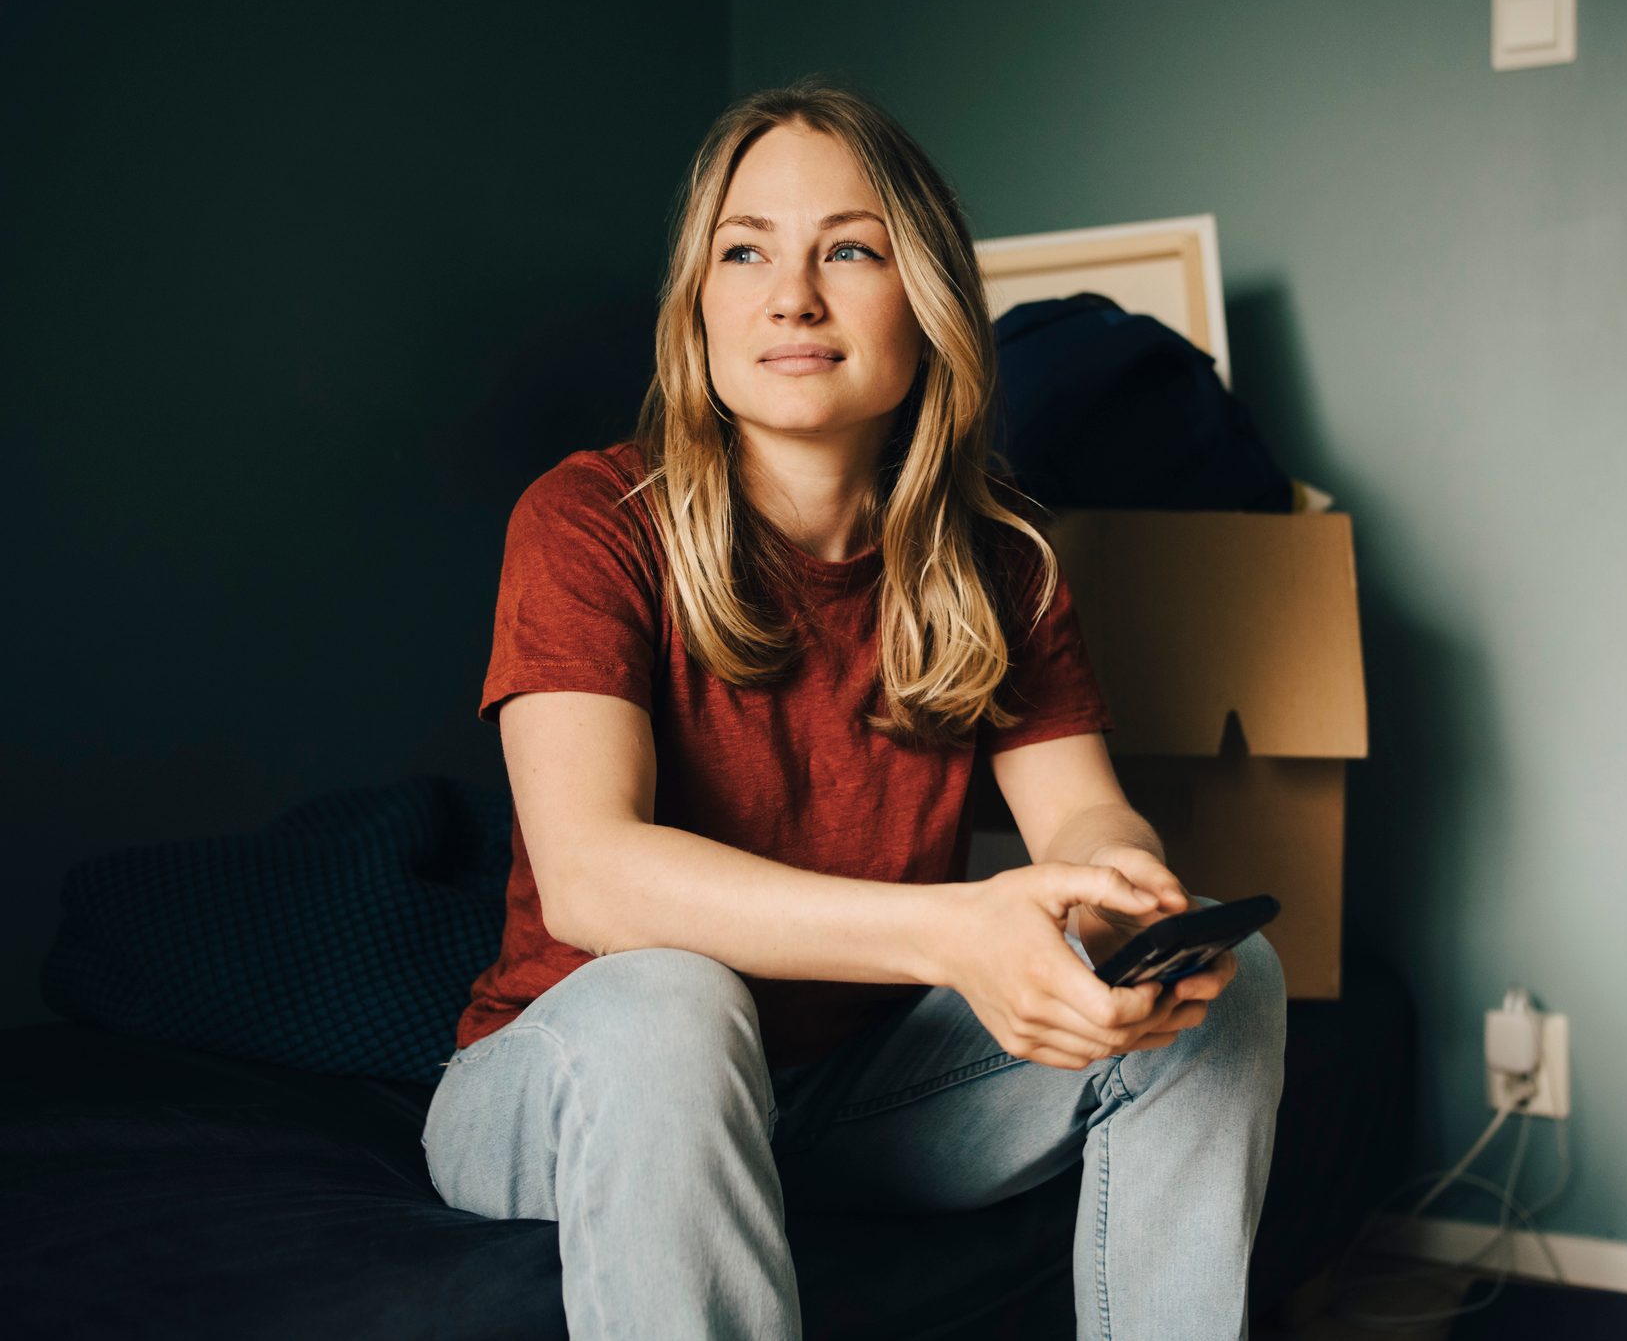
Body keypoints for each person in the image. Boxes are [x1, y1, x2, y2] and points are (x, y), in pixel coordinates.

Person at [421, 77, 1286, 1341]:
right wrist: (953, 934)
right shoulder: (589, 520)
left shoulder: (998, 557)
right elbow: (594, 881)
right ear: (700, 305)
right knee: (676, 998)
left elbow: (1085, 807)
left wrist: (1123, 899)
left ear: (924, 300)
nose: (793, 293)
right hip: (577, 1083)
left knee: (1231, 968)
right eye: (746, 250)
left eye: (849, 249)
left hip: (848, 1103)